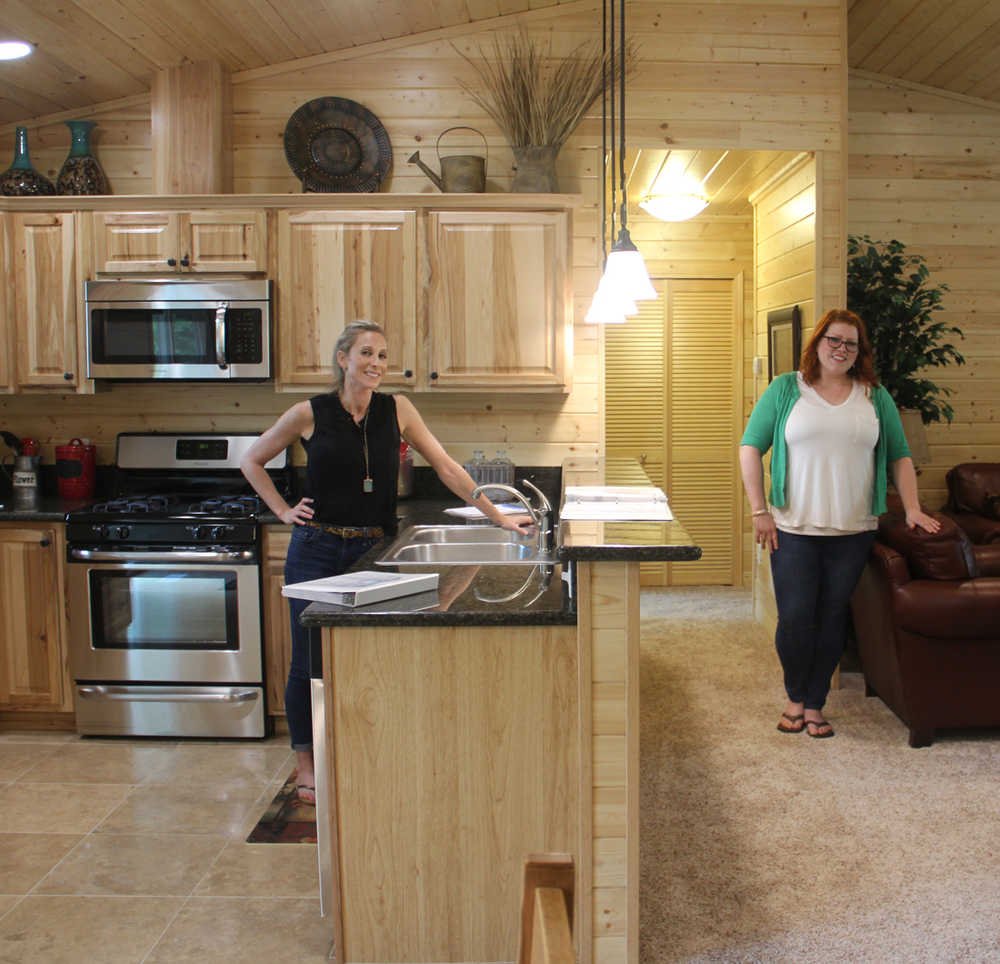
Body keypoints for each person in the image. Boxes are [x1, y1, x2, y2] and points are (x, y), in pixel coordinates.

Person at [241, 320, 531, 801]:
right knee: (309, 660)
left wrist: (497, 516)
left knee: (375, 655)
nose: (375, 363)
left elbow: (446, 466)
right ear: (343, 359)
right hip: (316, 549)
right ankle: (306, 762)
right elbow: (252, 460)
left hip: (374, 550)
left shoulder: (397, 409)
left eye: (382, 355)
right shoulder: (309, 413)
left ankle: (366, 748)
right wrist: (282, 510)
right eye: (366, 353)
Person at [738, 308, 940, 739]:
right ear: (818, 343)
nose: (841, 349)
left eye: (850, 343)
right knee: (795, 618)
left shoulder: (874, 397)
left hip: (853, 531)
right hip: (793, 529)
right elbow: (750, 447)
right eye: (834, 339)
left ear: (859, 351)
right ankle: (795, 696)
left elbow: (900, 455)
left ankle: (814, 705)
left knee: (832, 618)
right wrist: (759, 510)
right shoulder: (786, 389)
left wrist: (912, 508)